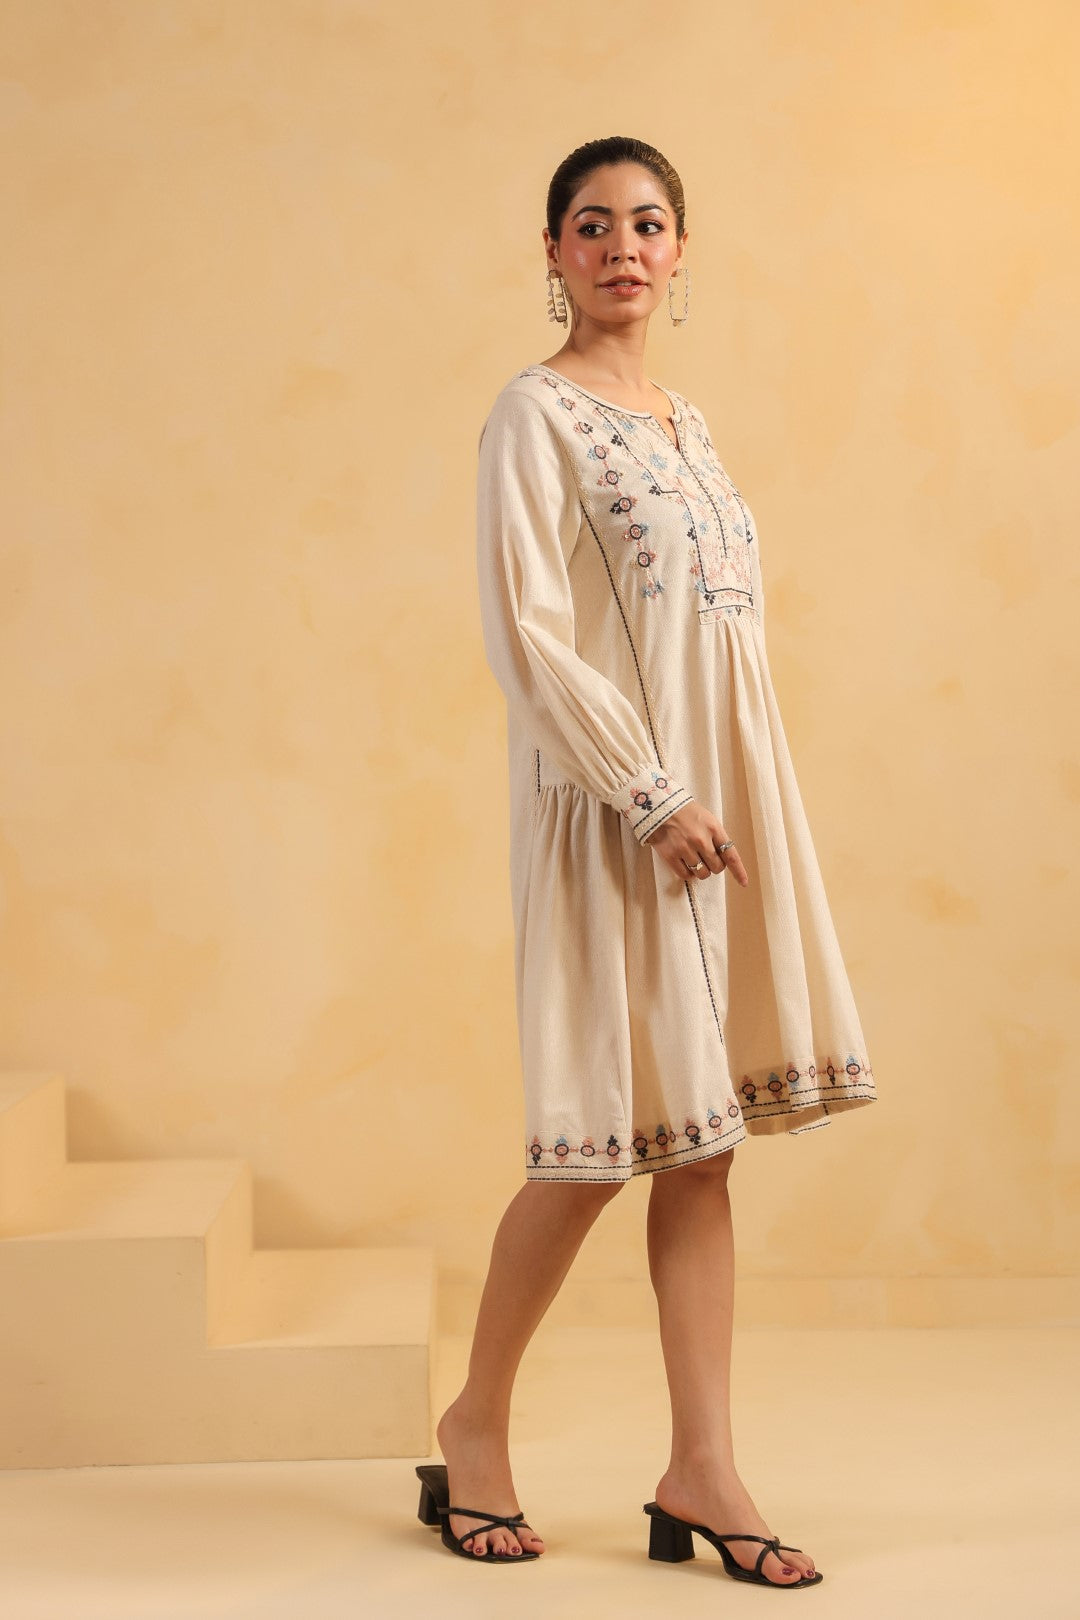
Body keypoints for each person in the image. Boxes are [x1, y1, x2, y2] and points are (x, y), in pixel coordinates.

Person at [415, 135, 877, 1587]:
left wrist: (728, 796)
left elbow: (718, 641)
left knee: (703, 1143)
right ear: (552, 251)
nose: (624, 245)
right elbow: (529, 632)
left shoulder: (691, 423)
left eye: (650, 222)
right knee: (595, 1148)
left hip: (716, 813)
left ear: (681, 253)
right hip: (613, 808)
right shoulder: (533, 415)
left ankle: (703, 1465)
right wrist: (649, 789)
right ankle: (474, 1425)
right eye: (593, 223)